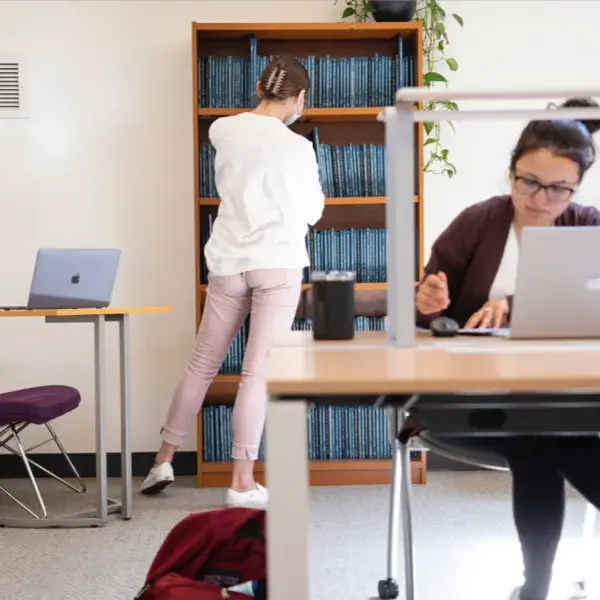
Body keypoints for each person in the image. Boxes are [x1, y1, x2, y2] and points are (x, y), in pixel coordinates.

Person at [348, 97, 600, 600]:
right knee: (546, 438)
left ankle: (536, 587)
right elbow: (424, 312)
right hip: (466, 396)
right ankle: (535, 585)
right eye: (528, 181)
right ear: (511, 172)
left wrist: (516, 304)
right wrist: (429, 301)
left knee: (546, 436)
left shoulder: (588, 227)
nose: (539, 197)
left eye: (557, 189)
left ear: (577, 186)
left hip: (558, 394)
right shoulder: (478, 222)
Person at [141, 55, 325, 509]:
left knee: (202, 365)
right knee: (257, 372)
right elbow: (313, 212)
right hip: (277, 263)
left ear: (261, 89)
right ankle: (241, 481)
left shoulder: (222, 128)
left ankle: (163, 459)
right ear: (299, 98)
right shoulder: (298, 148)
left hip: (227, 261)